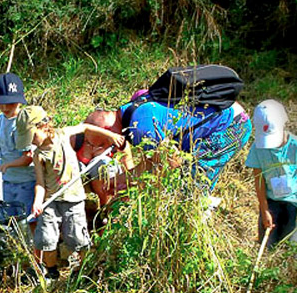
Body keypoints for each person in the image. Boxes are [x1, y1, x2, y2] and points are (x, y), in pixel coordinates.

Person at [16, 106, 124, 280]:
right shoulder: (38, 155)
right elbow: (40, 183)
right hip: (50, 201)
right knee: (47, 238)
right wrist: (37, 202)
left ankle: (85, 269)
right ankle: (51, 272)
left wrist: (110, 136)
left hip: (74, 199)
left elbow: (86, 127)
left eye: (32, 136)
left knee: (78, 237)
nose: (32, 142)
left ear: (44, 126)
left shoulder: (63, 135)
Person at [117, 95, 252, 191]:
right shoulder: (132, 108)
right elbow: (157, 158)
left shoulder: (140, 127)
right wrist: (126, 179)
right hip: (225, 112)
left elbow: (173, 161)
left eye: (96, 144)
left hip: (232, 124)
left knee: (191, 189)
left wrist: (137, 187)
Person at [245, 99, 297, 248]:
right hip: (271, 202)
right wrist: (264, 209)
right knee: (267, 245)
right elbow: (259, 179)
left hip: (294, 203)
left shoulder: (295, 146)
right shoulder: (258, 148)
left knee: (290, 248)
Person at [0, 72, 36, 218]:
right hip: (7, 181)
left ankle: (29, 241)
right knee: (8, 218)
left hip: (25, 182)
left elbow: (28, 158)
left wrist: (7, 165)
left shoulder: (22, 123)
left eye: (10, 103)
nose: (5, 107)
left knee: (26, 218)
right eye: (1, 103)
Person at [70, 109, 134, 206]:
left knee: (101, 164)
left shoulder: (117, 142)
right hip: (81, 181)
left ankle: (107, 208)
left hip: (110, 181)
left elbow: (130, 172)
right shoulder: (75, 138)